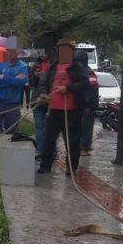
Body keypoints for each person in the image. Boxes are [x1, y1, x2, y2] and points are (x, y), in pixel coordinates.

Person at [37, 42, 91, 175]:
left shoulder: (78, 68)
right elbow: (44, 82)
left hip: (72, 110)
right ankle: (45, 166)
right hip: (54, 108)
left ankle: (71, 168)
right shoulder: (53, 67)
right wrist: (44, 93)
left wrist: (68, 88)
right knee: (49, 138)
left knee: (72, 141)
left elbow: (85, 83)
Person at [0, 48, 29, 157]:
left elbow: (21, 82)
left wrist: (4, 77)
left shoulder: (22, 66)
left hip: (13, 102)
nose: (10, 53)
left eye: (13, 51)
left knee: (11, 127)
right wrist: (12, 79)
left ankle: (7, 152)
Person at [77, 49, 99, 155]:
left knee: (86, 127)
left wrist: (87, 105)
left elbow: (91, 90)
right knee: (81, 126)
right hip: (83, 104)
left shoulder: (89, 73)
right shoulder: (82, 71)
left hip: (88, 106)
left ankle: (84, 148)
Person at [31, 54, 50, 158]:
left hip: (50, 100)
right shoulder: (36, 65)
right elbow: (31, 83)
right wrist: (35, 76)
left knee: (50, 127)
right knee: (39, 125)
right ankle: (40, 150)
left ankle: (50, 151)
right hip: (37, 100)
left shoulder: (52, 66)